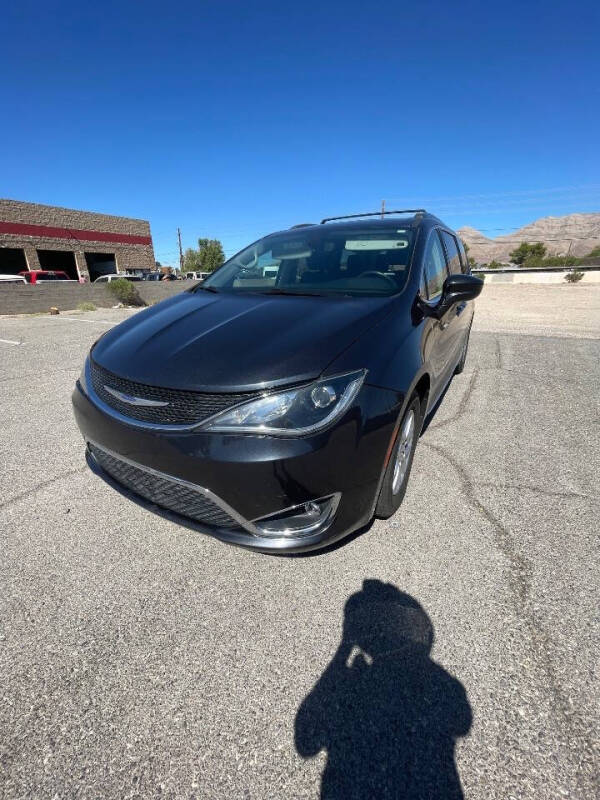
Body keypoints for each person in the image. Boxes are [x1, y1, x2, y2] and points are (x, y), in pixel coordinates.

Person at [295, 580, 472, 799]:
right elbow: (461, 721)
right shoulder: (443, 682)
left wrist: (343, 650)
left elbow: (306, 743)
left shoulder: (441, 682)